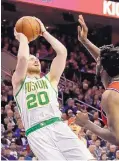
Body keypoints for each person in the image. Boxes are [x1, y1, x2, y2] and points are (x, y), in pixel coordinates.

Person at [12, 17, 94, 160]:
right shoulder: (19, 82)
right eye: (32, 58)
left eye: (36, 58)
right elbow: (23, 59)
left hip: (57, 125)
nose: (35, 60)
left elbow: (62, 52)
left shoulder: (50, 79)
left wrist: (44, 32)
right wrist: (23, 38)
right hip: (37, 132)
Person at [75, 15, 119, 145]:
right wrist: (85, 41)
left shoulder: (111, 95)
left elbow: (117, 138)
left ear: (101, 70)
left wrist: (87, 124)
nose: (97, 61)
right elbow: (106, 59)